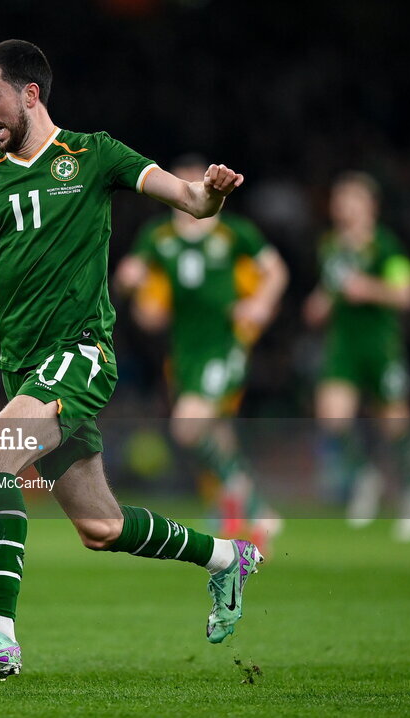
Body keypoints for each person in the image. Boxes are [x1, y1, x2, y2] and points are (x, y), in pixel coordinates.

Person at [0, 40, 263, 680]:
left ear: (30, 94)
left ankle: (0, 632)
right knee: (101, 527)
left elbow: (189, 200)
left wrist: (212, 193)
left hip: (80, 355)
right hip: (23, 369)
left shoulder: (94, 154)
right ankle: (226, 558)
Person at [113, 155, 288, 551]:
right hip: (185, 353)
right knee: (217, 434)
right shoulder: (158, 237)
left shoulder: (233, 232)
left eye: (203, 184)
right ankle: (239, 504)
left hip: (225, 345)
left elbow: (277, 271)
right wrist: (130, 286)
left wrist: (261, 302)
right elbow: (136, 291)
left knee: (187, 426)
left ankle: (258, 508)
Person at [303, 172, 410, 542]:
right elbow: (331, 289)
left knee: (394, 424)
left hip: (380, 345)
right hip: (344, 345)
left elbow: (408, 294)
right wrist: (320, 303)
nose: (343, 206)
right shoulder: (331, 247)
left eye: (351, 199)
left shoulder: (384, 246)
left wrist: (369, 289)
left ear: (370, 206)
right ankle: (365, 477)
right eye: (340, 199)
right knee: (332, 416)